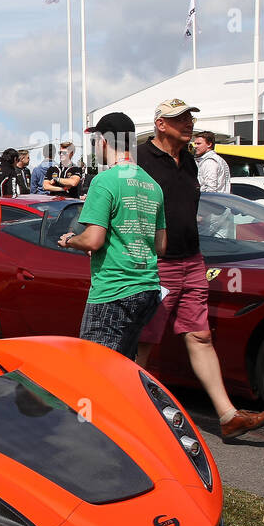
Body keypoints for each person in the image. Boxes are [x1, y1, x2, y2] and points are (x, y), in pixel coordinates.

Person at [135, 98, 264, 440]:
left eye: (189, 118)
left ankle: (227, 416)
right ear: (160, 125)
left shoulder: (190, 162)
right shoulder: (139, 160)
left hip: (192, 260)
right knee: (144, 343)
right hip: (157, 263)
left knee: (200, 335)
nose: (188, 124)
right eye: (179, 119)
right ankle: (130, 419)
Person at [57, 113, 165, 359]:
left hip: (113, 290)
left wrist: (70, 240)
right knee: (124, 366)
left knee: (97, 369)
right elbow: (160, 246)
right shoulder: (152, 185)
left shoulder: (104, 180)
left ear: (103, 142)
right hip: (147, 288)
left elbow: (93, 239)